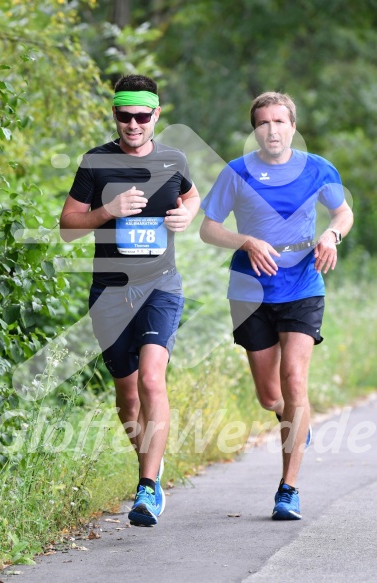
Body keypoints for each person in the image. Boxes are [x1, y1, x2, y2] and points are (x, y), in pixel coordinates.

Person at [199, 91, 353, 520]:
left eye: (279, 122)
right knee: (271, 397)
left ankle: (288, 489)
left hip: (303, 285)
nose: (272, 130)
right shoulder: (237, 173)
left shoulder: (319, 169)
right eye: (263, 123)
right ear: (255, 129)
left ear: (292, 126)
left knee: (294, 380)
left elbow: (343, 213)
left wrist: (331, 235)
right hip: (251, 292)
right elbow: (209, 229)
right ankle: (294, 422)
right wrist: (245, 240)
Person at [60, 74, 200, 526]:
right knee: (128, 397)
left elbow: (192, 194)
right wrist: (107, 212)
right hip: (109, 291)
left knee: (152, 381)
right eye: (126, 116)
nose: (134, 124)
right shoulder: (96, 162)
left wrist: (185, 213)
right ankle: (152, 472)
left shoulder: (173, 159)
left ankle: (146, 487)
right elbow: (67, 225)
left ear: (157, 115)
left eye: (143, 116)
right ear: (115, 115)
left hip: (160, 286)